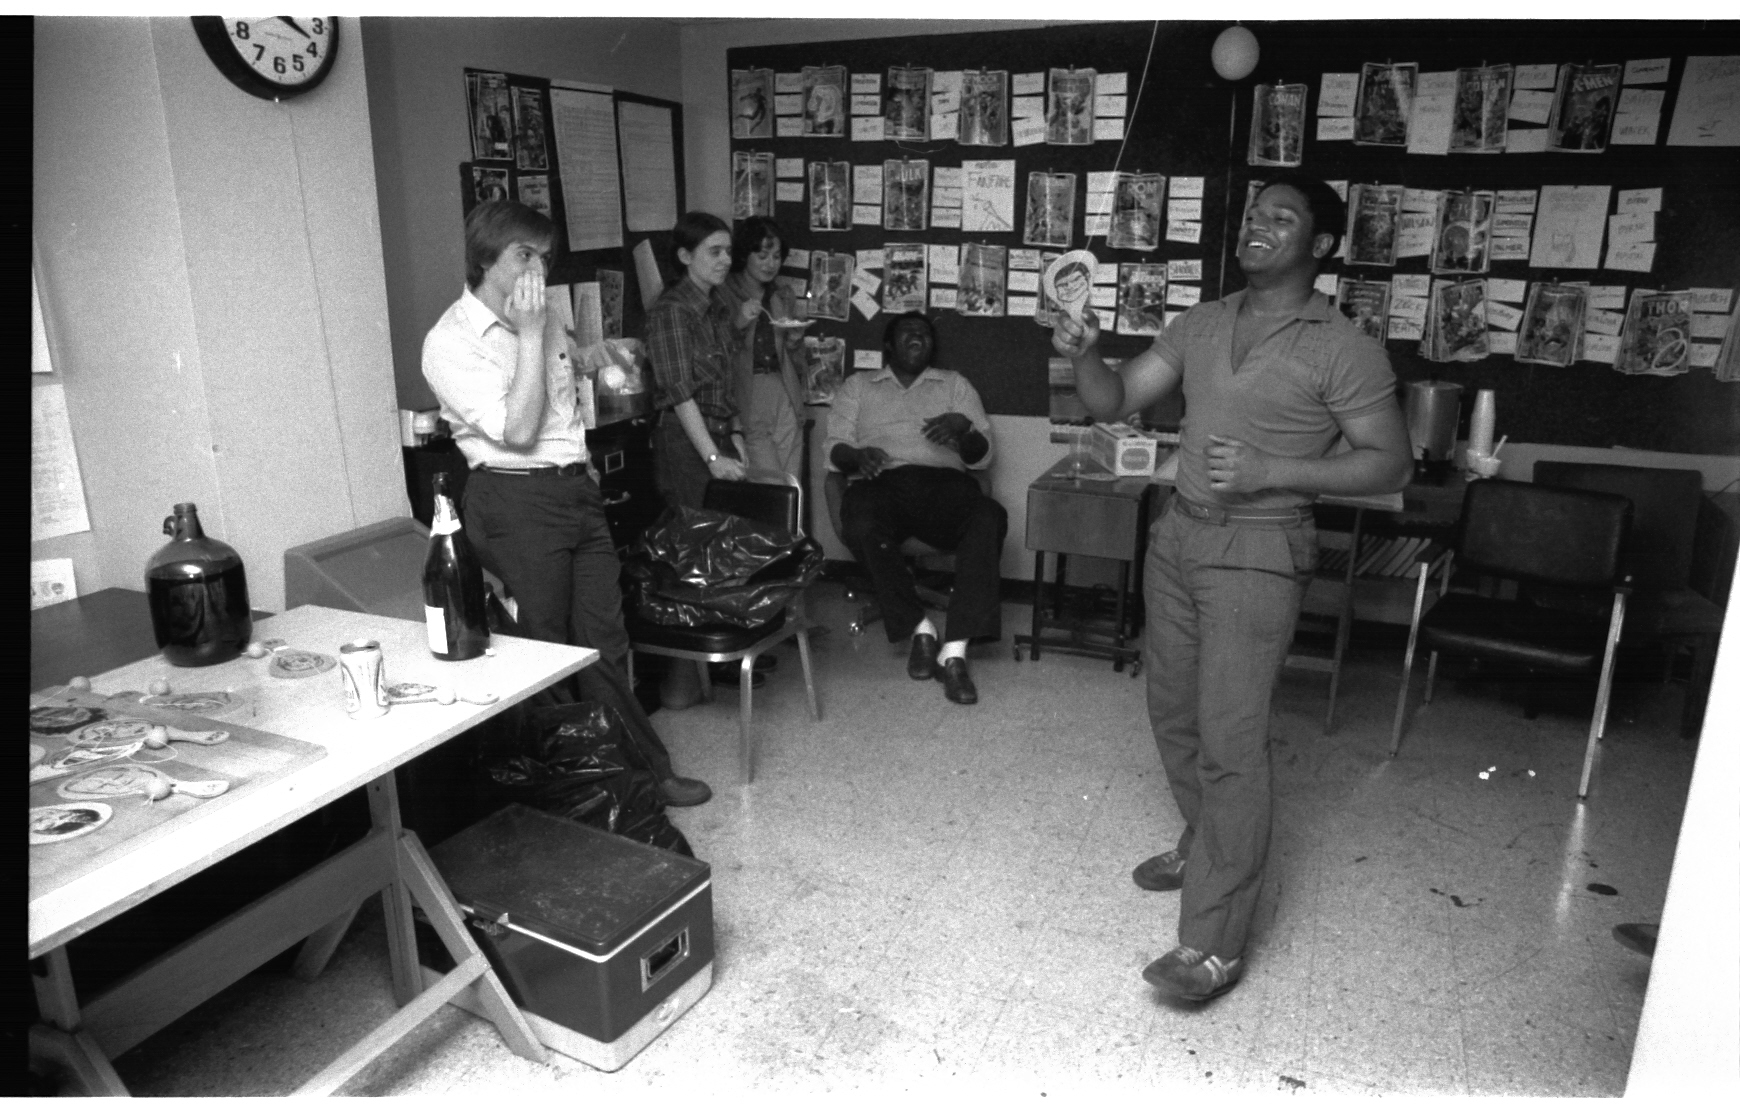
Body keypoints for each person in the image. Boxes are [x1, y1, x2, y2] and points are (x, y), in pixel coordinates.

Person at [1051, 171, 1411, 1003]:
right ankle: (1206, 836)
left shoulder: (1341, 346)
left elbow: (1390, 462)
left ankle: (1213, 944)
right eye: (1254, 215)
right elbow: (1120, 399)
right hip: (1178, 534)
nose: (1257, 227)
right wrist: (1086, 356)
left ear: (1319, 247)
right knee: (1172, 711)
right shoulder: (1204, 321)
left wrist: (1268, 469)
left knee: (1232, 738)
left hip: (1260, 546)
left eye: (1281, 218)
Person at [422, 199, 711, 808]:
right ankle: (584, 793)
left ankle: (644, 773)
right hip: (514, 501)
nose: (539, 270)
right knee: (544, 650)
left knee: (606, 641)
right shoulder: (449, 341)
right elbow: (519, 429)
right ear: (484, 259)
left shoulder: (545, 318)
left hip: (574, 490)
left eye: (544, 257)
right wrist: (531, 334)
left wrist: (584, 356)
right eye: (523, 255)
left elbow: (554, 387)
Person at [826, 312, 1008, 706]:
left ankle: (954, 651)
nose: (918, 338)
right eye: (909, 333)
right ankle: (920, 628)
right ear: (889, 345)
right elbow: (834, 449)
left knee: (989, 517)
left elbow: (981, 459)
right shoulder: (859, 386)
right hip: (880, 483)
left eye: (925, 334)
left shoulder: (955, 386)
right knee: (860, 522)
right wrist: (858, 456)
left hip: (943, 487)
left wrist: (964, 430)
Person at [645, 211, 754, 512]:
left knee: (727, 533)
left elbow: (725, 379)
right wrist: (713, 457)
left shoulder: (716, 306)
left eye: (729, 251)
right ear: (685, 256)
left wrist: (735, 432)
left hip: (718, 433)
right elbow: (680, 396)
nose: (726, 260)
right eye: (715, 252)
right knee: (699, 534)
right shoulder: (672, 311)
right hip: (685, 440)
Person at [718, 217, 807, 480]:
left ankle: (791, 523)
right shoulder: (724, 292)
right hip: (747, 390)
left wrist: (795, 338)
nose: (771, 264)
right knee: (767, 482)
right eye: (763, 255)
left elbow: (795, 358)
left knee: (792, 481)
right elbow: (717, 351)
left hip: (784, 387)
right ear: (745, 254)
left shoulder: (783, 294)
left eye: (777, 256)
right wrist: (740, 323)